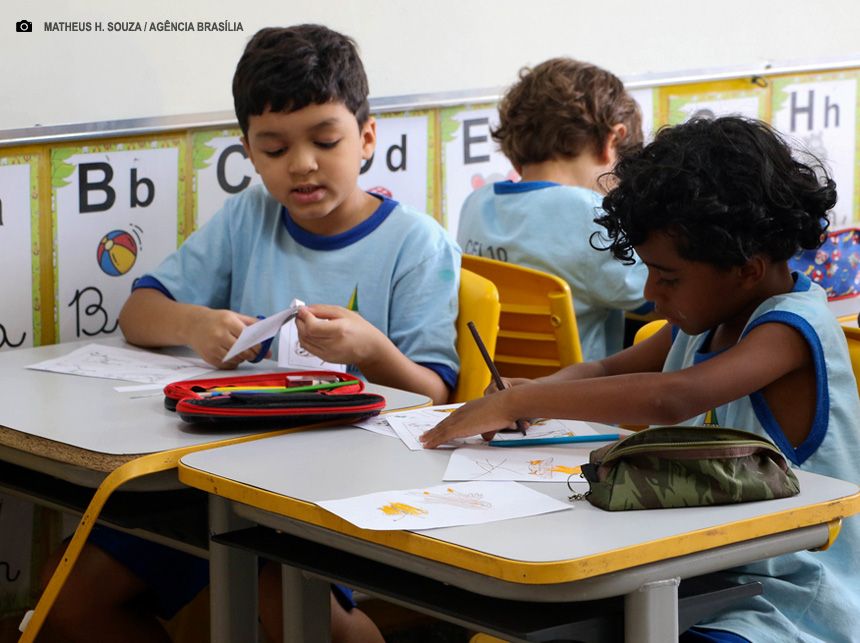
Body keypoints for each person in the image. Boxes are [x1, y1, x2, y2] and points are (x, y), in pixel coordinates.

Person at [39, 24, 460, 643]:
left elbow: (436, 396)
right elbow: (137, 313)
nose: (302, 165)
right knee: (67, 610)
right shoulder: (249, 216)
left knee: (292, 606)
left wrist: (371, 350)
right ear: (248, 152)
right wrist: (194, 322)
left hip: (328, 488)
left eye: (325, 140)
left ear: (367, 138)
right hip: (212, 473)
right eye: (273, 149)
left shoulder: (416, 245)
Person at [423, 116, 860, 642]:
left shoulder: (793, 330)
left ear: (746, 267)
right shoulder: (703, 322)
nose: (652, 292)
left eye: (668, 277)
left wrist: (539, 396)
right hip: (691, 574)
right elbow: (605, 368)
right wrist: (527, 395)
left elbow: (673, 397)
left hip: (785, 603)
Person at [456, 57, 649, 361]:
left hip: (494, 388)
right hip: (573, 401)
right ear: (612, 141)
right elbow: (650, 293)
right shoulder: (592, 214)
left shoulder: (475, 204)